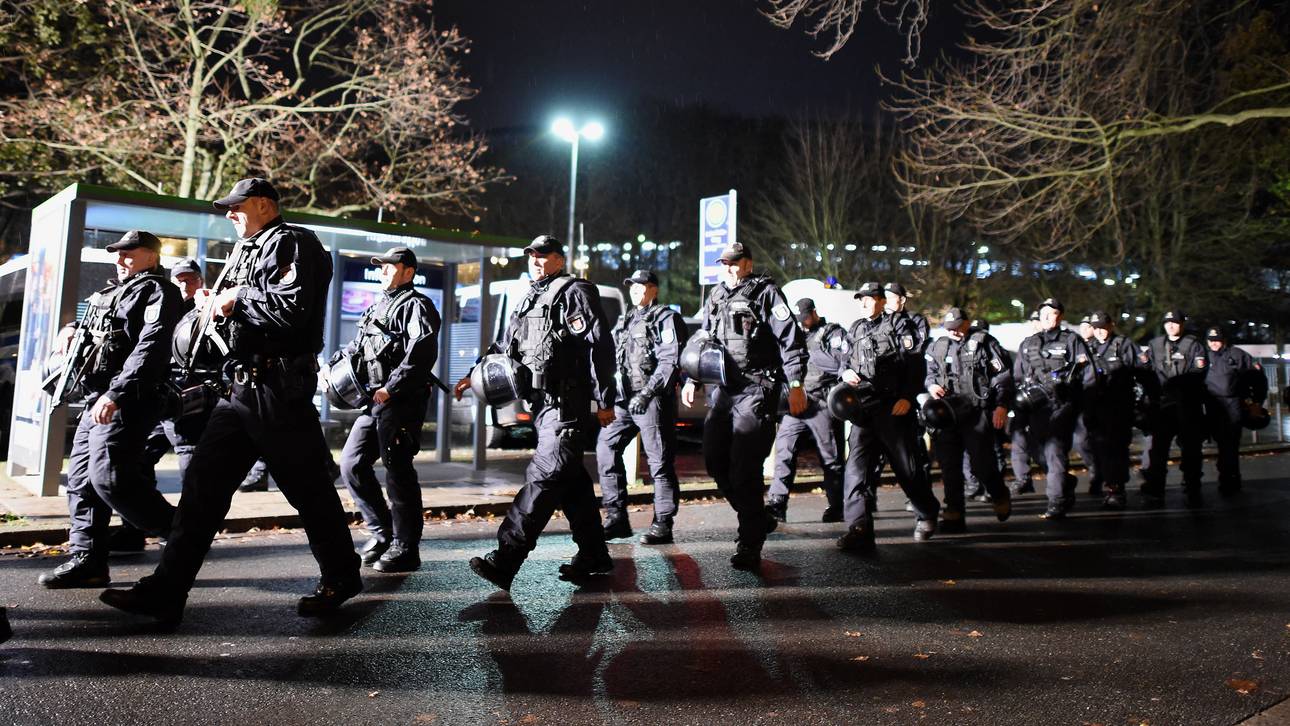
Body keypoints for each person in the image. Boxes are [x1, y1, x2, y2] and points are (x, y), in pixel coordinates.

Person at [100, 178, 361, 624]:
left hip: (278, 389)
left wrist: (233, 300)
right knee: (201, 490)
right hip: (240, 388)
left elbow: (291, 309)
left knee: (308, 490)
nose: (229, 214)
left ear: (263, 204)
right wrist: (212, 303)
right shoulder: (248, 248)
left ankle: (341, 575)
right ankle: (166, 590)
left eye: (235, 206)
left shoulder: (294, 242)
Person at [457, 235, 617, 591]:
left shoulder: (576, 292)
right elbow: (504, 346)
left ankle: (506, 559)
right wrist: (473, 375)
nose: (536, 261)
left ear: (560, 259)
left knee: (544, 477)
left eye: (544, 256)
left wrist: (605, 400)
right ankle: (594, 554)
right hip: (543, 405)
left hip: (567, 405)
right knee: (570, 481)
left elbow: (600, 348)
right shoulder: (530, 296)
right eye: (532, 256)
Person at [37, 230, 183, 588]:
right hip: (96, 398)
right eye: (117, 254)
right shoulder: (110, 292)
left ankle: (184, 534)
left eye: (128, 254)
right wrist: (70, 330)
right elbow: (94, 327)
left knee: (111, 479)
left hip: (127, 400)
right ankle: (88, 561)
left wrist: (116, 393)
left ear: (151, 256)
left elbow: (150, 347)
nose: (119, 260)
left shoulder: (158, 291)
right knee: (82, 480)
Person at [681, 241, 807, 570]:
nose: (729, 269)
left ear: (748, 263)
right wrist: (692, 379)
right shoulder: (716, 295)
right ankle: (757, 518)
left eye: (735, 263)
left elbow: (791, 338)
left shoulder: (766, 293)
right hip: (723, 390)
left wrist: (795, 384)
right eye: (725, 263)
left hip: (756, 389)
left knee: (745, 469)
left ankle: (749, 542)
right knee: (714, 461)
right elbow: (704, 341)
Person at [336, 247, 440, 573]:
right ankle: (383, 532)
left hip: (400, 402)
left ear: (408, 271)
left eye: (389, 266)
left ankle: (406, 547)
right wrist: (333, 366)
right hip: (375, 401)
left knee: (398, 473)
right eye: (380, 266)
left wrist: (390, 389)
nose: (382, 271)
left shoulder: (417, 306)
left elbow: (420, 353)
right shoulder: (378, 305)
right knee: (351, 464)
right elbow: (358, 348)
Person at [115, 257, 209, 553]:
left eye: (190, 279)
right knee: (138, 462)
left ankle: (191, 537)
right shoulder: (164, 305)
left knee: (192, 472)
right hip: (159, 398)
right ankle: (135, 530)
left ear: (200, 281)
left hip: (190, 403)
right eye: (179, 279)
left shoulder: (210, 308)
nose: (184, 284)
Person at [836, 282, 938, 551]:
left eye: (869, 299)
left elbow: (916, 364)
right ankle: (859, 528)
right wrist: (845, 373)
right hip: (863, 409)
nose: (864, 303)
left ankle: (926, 512)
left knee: (907, 470)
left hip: (892, 408)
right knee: (856, 470)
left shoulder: (899, 326)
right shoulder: (856, 327)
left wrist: (907, 397)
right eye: (861, 300)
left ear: (882, 301)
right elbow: (844, 361)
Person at [596, 269, 687, 545]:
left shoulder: (666, 318)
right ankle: (616, 517)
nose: (636, 291)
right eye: (632, 287)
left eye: (641, 286)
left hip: (653, 400)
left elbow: (670, 360)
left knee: (659, 462)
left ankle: (663, 523)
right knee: (606, 447)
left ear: (654, 290)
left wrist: (647, 393)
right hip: (625, 400)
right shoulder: (626, 320)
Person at [923, 307, 1014, 532]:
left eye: (957, 328)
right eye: (949, 329)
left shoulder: (985, 343)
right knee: (949, 466)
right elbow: (930, 374)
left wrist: (1001, 406)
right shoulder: (940, 346)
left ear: (967, 323)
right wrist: (932, 385)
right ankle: (954, 513)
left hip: (976, 413)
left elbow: (1002, 378)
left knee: (982, 463)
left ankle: (999, 494)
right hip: (948, 415)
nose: (954, 333)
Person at [766, 298, 849, 524]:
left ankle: (837, 505)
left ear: (814, 312)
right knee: (784, 451)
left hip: (821, 402)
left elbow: (842, 364)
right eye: (798, 320)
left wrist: (808, 352)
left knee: (830, 457)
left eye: (804, 318)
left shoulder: (833, 334)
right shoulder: (795, 334)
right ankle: (777, 503)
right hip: (796, 403)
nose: (802, 324)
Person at [1012, 298, 1097, 519]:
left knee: (1054, 451)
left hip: (1062, 406)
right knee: (1037, 451)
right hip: (1036, 408)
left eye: (1055, 313)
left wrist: (1082, 406)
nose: (1050, 317)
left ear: (1061, 316)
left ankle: (1056, 501)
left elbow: (1088, 375)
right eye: (1046, 314)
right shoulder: (1029, 343)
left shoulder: (1072, 340)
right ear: (1039, 317)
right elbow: (1018, 376)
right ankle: (1065, 481)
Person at [1139, 310, 1209, 507]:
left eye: (1175, 322)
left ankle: (1192, 484)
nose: (1171, 326)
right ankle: (1155, 488)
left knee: (1191, 449)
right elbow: (1146, 371)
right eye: (1167, 322)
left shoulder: (1194, 345)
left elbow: (1199, 372)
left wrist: (1178, 384)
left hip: (1187, 405)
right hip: (1162, 406)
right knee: (1158, 450)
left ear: (1182, 324)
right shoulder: (1155, 345)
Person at [1083, 310, 1151, 510]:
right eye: (1096, 329)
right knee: (1099, 449)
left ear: (1111, 326)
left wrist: (1147, 401)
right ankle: (1108, 485)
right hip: (1095, 408)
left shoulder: (1124, 345)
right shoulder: (1087, 349)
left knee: (1117, 449)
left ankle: (1117, 489)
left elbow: (1143, 373)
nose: (1100, 332)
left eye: (1103, 328)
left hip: (1119, 408)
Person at [1202, 327, 1265, 496]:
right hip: (1212, 405)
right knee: (1221, 442)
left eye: (1217, 339)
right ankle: (1226, 473)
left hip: (1233, 404)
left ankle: (1231, 477)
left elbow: (1258, 376)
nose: (1214, 343)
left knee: (1230, 443)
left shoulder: (1237, 354)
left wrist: (1257, 402)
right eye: (1211, 340)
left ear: (1224, 340)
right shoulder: (1204, 356)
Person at [1009, 309, 1049, 494]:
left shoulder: (1055, 343)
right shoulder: (1026, 344)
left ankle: (1059, 477)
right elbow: (1018, 374)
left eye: (1037, 321)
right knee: (1019, 439)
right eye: (1033, 321)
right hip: (1025, 401)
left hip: (1046, 402)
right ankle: (1023, 479)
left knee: (1043, 444)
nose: (1035, 325)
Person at [1072, 314, 1100, 495]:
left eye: (1088, 326)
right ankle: (1096, 469)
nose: (1084, 330)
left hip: (1100, 401)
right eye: (1081, 326)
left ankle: (1101, 475)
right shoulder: (1075, 346)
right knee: (1080, 441)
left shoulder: (1102, 347)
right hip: (1079, 401)